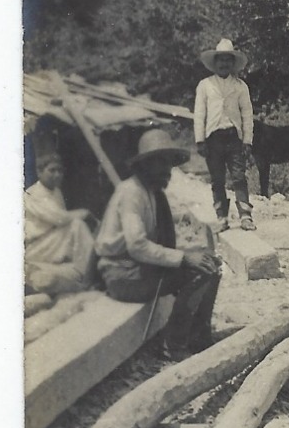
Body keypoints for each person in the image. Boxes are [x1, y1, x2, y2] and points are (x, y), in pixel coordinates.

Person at [94, 129, 223, 359]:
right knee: (199, 272)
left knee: (209, 265)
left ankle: (199, 337)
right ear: (145, 164)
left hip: (136, 268)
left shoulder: (150, 192)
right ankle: (174, 345)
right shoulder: (131, 192)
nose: (167, 170)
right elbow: (137, 246)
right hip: (122, 276)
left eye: (169, 164)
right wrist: (184, 257)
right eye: (160, 163)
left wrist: (191, 253)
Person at [194, 38, 256, 231]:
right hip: (213, 138)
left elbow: (247, 114)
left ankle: (245, 215)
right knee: (217, 178)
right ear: (214, 63)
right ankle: (221, 217)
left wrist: (247, 140)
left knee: (238, 176)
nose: (223, 64)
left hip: (233, 137)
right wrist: (200, 140)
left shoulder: (240, 86)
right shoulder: (205, 85)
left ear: (233, 63)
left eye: (227, 60)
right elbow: (199, 114)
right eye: (220, 60)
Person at [24, 151, 98, 296]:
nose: (57, 175)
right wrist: (85, 213)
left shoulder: (56, 191)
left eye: (60, 171)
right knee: (77, 225)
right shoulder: (32, 194)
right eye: (52, 170)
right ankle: (88, 273)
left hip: (52, 242)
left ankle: (86, 271)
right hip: (36, 246)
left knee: (76, 227)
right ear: (39, 172)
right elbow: (59, 218)